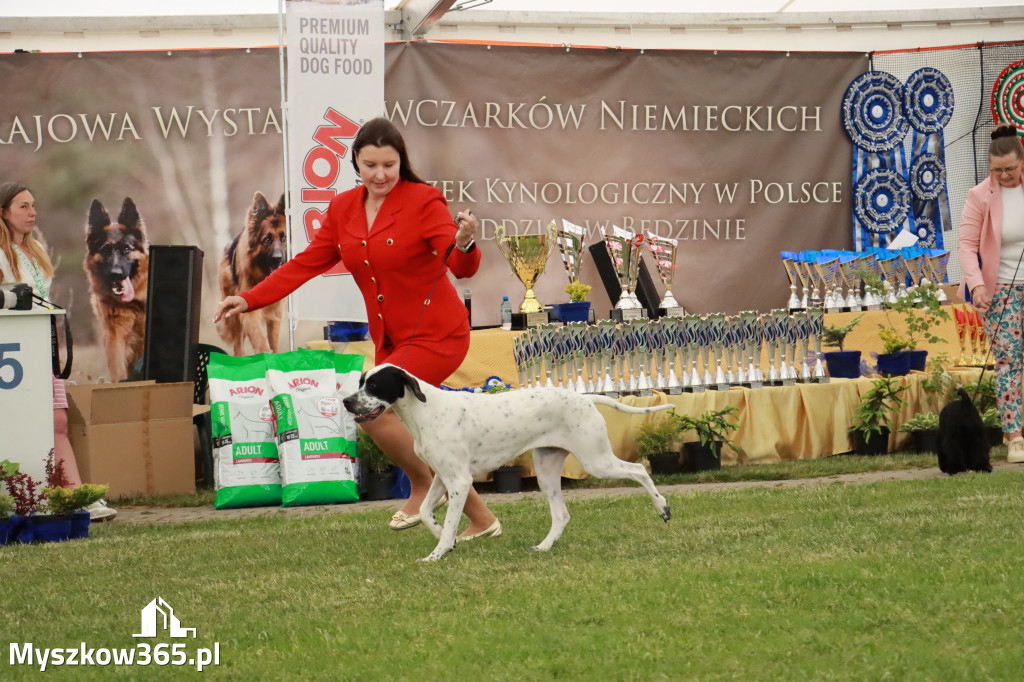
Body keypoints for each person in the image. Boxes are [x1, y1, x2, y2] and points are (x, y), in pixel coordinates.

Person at [214, 118, 500, 539]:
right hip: (393, 339)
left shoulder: (424, 200)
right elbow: (305, 263)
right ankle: (478, 516)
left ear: (402, 161)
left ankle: (428, 486)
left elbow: (459, 266)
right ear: (356, 164)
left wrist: (464, 241)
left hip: (437, 333)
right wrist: (250, 297)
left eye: (390, 164)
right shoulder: (343, 208)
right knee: (403, 419)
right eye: (371, 165)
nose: (381, 174)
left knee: (370, 409)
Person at [0, 182, 117, 520]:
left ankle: (78, 496)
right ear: (4, 212)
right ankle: (27, 498)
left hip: (43, 347)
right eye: (22, 206)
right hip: (12, 355)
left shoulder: (36, 249)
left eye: (33, 205)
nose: (32, 212)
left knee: (58, 422)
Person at [957, 124, 1024, 464]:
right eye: (997, 170)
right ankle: (1015, 438)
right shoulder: (979, 196)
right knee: (1009, 361)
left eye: (1010, 168)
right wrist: (977, 284)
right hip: (1001, 292)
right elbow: (967, 246)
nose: (1005, 175)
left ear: (1021, 161)